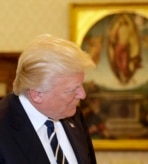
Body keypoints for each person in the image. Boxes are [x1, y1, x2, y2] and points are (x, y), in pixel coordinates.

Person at [0, 34, 97, 164]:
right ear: (37, 94)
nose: (83, 95)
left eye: (81, 85)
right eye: (72, 89)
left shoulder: (74, 116)